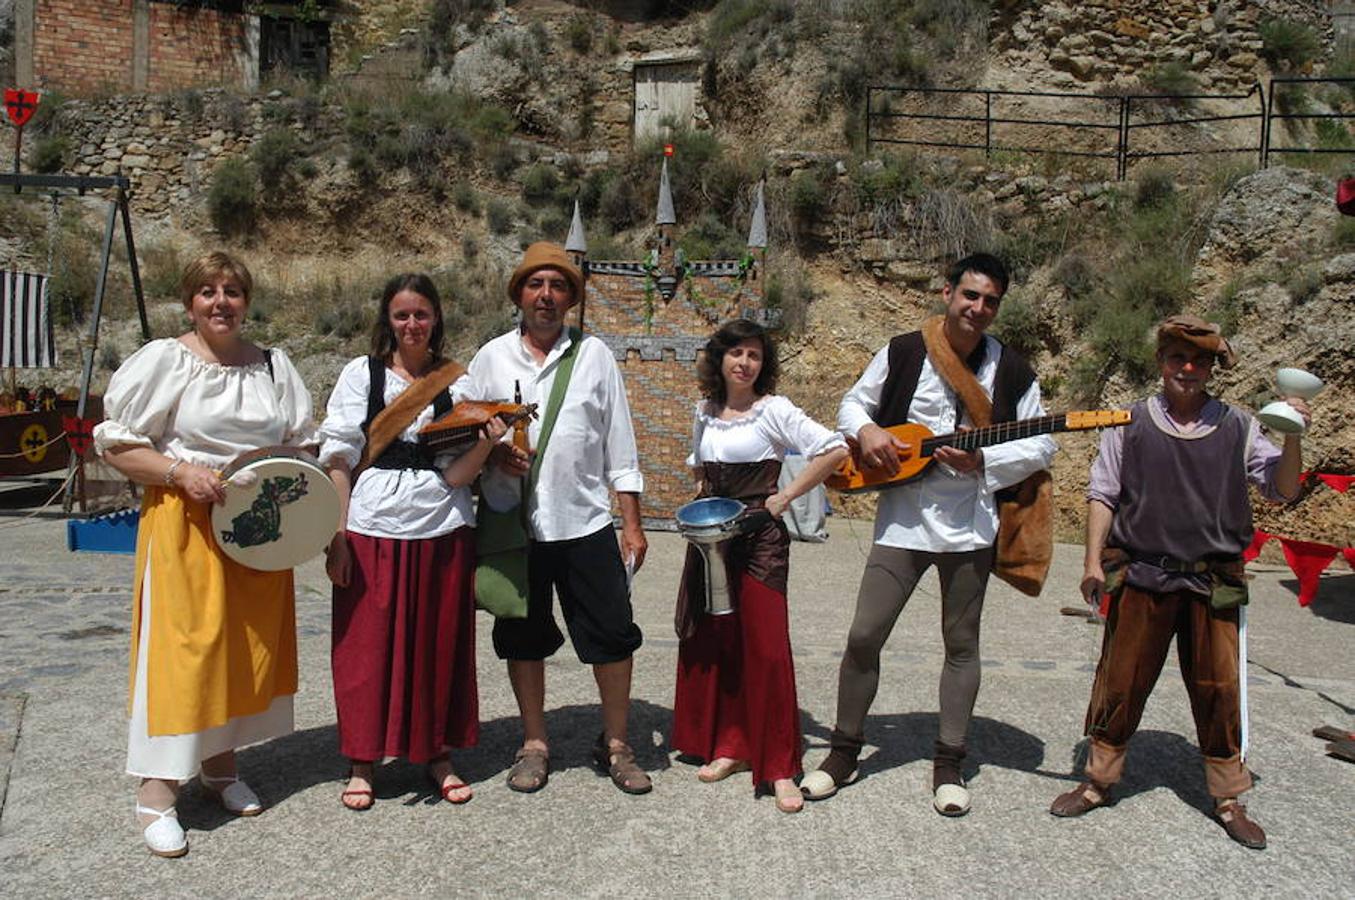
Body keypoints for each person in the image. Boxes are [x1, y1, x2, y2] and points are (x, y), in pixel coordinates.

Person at [800, 252, 1056, 816]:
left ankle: (950, 760)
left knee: (961, 646)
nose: (978, 308)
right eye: (970, 295)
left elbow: (1042, 443)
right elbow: (852, 404)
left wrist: (984, 463)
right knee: (865, 636)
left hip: (970, 528)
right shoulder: (904, 351)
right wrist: (866, 432)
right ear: (947, 294)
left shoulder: (1013, 371)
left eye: (990, 300)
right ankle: (843, 752)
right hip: (903, 521)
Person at [1049, 315, 1307, 850]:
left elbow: (1283, 491)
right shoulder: (1130, 421)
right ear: (1162, 363)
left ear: (1211, 369)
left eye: (1200, 361)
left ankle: (1228, 796)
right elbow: (1103, 493)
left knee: (1219, 690)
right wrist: (1092, 562)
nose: (1188, 369)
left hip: (1213, 581)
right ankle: (1098, 781)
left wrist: (1294, 438)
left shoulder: (1240, 426)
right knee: (1120, 682)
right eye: (1177, 359)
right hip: (1141, 574)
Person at [94, 252, 316, 858]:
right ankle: (157, 790)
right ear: (189, 301)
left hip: (255, 530)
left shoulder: (272, 366)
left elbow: (299, 444)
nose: (221, 302)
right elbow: (116, 444)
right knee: (184, 652)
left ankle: (219, 766)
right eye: (208, 292)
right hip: (185, 523)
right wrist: (177, 470)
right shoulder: (168, 361)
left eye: (233, 291)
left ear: (246, 300)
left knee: (242, 648)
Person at [465, 242, 650, 795]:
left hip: (586, 521)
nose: (546, 296)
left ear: (571, 297)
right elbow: (464, 436)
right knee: (523, 637)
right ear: (519, 294)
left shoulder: (595, 356)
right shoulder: (490, 358)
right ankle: (534, 743)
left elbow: (620, 442)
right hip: (514, 525)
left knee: (613, 636)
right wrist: (493, 454)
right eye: (535, 285)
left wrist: (632, 522)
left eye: (558, 286)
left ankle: (616, 742)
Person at [320, 274, 503, 811]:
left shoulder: (457, 384)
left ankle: (437, 753)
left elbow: (456, 476)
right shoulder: (363, 376)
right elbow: (339, 461)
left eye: (421, 314)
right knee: (365, 646)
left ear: (436, 318)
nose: (412, 324)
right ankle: (362, 759)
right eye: (402, 315)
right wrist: (337, 536)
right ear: (388, 320)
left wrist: (487, 447)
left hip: (441, 526)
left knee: (437, 643)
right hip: (371, 525)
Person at [670, 319, 847, 814]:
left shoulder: (774, 412)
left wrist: (785, 496)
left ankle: (780, 767)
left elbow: (834, 449)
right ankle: (731, 745)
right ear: (720, 359)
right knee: (721, 643)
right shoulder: (703, 413)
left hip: (761, 542)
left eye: (754, 355)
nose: (745, 363)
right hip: (713, 541)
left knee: (767, 650)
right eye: (736, 353)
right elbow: (703, 473)